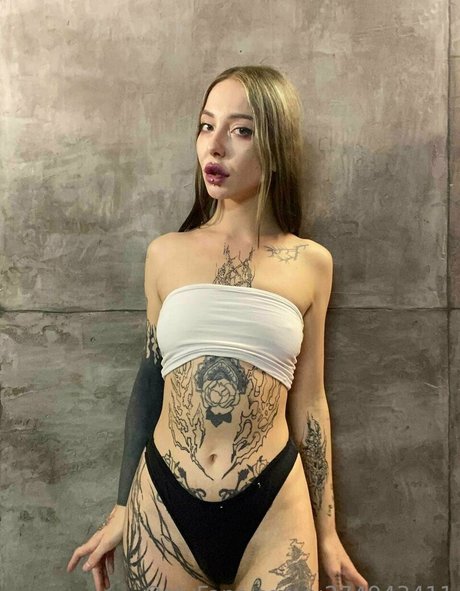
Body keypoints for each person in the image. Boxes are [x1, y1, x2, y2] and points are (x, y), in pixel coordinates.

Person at [67, 65, 369, 591]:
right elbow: (149, 383)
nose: (215, 146)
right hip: (163, 506)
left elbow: (310, 403)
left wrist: (327, 535)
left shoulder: (311, 263)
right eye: (207, 126)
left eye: (241, 130)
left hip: (274, 508)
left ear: (276, 146)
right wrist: (121, 507)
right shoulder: (166, 254)